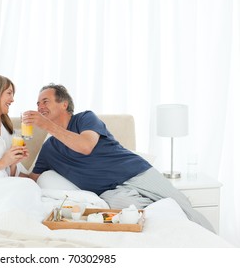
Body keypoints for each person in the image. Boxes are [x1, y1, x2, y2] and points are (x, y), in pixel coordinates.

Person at [22, 83, 215, 232]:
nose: (39, 107)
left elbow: (85, 146)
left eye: (45, 101)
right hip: (110, 192)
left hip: (136, 173)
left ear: (64, 104)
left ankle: (215, 247)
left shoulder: (84, 118)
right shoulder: (48, 149)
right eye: (37, 103)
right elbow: (33, 180)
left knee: (182, 206)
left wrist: (47, 126)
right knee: (144, 215)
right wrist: (12, 162)